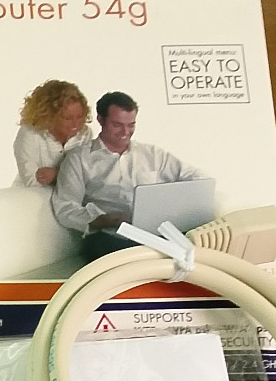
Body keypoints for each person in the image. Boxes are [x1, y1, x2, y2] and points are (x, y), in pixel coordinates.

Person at [52, 90, 205, 260]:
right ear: (100, 120)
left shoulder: (153, 154)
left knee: (198, 243)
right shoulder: (79, 158)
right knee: (138, 254)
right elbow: (65, 207)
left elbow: (196, 177)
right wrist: (104, 220)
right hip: (108, 235)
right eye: (117, 125)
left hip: (155, 231)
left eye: (131, 125)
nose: (125, 132)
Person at [12, 80, 92, 189]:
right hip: (28, 197)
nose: (75, 124)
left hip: (70, 198)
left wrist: (56, 175)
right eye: (67, 118)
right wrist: (71, 175)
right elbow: (32, 182)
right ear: (49, 116)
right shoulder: (29, 134)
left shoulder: (85, 134)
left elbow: (87, 176)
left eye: (79, 116)